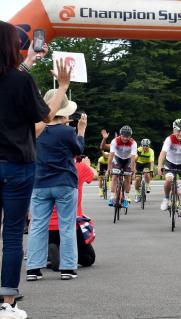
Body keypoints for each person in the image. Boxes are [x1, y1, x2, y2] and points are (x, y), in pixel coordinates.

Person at [0, 21, 71, 319]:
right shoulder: (20, 81)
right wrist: (63, 86)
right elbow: (46, 114)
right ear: (13, 46)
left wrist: (29, 63)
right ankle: (7, 304)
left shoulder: (16, 76)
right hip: (17, 164)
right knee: (13, 235)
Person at [26, 91, 87, 282]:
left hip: (40, 182)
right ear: (64, 113)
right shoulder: (67, 131)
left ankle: (33, 268)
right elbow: (78, 151)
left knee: (37, 225)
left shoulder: (35, 130)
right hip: (64, 182)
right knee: (67, 225)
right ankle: (67, 267)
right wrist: (81, 131)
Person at [47, 156, 98, 270]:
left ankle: (49, 253)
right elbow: (95, 175)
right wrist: (88, 165)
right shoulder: (79, 167)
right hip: (71, 224)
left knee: (47, 240)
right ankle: (62, 256)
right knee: (89, 258)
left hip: (48, 226)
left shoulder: (45, 167)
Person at [158, 119, 181, 218]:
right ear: (174, 131)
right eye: (178, 131)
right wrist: (160, 166)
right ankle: (165, 198)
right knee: (169, 179)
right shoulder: (169, 139)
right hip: (170, 163)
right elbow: (162, 153)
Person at [107, 126, 137, 208]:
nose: (125, 138)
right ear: (120, 135)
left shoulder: (133, 143)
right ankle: (112, 197)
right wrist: (109, 168)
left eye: (127, 136)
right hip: (117, 159)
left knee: (127, 178)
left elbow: (133, 158)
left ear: (130, 136)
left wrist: (133, 169)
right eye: (124, 136)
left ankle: (126, 198)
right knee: (114, 177)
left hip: (127, 160)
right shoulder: (115, 141)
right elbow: (111, 156)